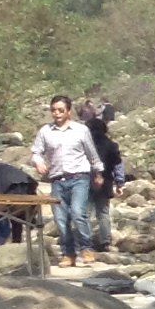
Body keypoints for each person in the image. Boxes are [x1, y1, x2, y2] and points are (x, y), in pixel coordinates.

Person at [30, 96, 104, 267]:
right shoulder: (45, 131)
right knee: (61, 219)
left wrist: (99, 172)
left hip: (79, 177)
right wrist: (38, 162)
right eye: (54, 110)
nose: (57, 113)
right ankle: (68, 253)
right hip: (57, 179)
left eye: (61, 110)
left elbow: (92, 153)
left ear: (68, 111)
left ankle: (86, 248)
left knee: (78, 213)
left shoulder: (81, 130)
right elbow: (36, 152)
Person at [80, 100, 123, 257]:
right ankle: (105, 242)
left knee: (85, 212)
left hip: (85, 181)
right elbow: (118, 165)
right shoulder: (112, 145)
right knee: (103, 213)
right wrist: (120, 183)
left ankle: (86, 242)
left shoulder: (84, 145)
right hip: (105, 183)